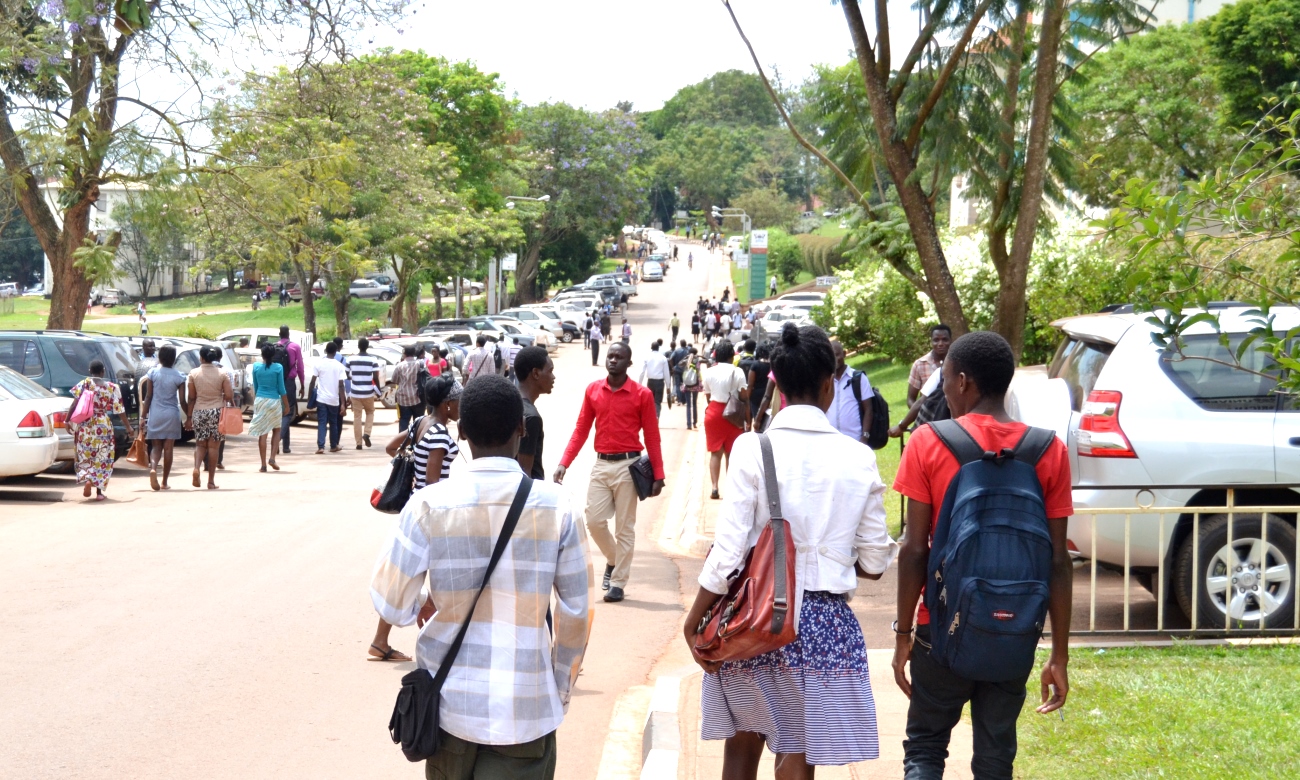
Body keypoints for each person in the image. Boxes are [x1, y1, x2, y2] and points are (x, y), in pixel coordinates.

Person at [682, 322, 898, 778]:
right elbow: (876, 563)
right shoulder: (859, 457)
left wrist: (695, 616)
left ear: (776, 384)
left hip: (752, 618)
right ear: (828, 385)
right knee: (798, 753)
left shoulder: (750, 448)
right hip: (824, 626)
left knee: (741, 745)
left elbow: (730, 551)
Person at [371, 373, 590, 780]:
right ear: (522, 428)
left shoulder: (429, 505)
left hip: (448, 708)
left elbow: (390, 600)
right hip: (525, 712)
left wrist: (425, 603)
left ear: (462, 430)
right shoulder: (559, 508)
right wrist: (557, 689)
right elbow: (576, 614)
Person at [892, 331, 1073, 779]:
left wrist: (902, 635)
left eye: (947, 379)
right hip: (1013, 632)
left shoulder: (928, 441)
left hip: (941, 629)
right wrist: (1060, 655)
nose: (945, 389)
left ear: (963, 382)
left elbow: (914, 550)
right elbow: (1058, 561)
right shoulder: (1049, 449)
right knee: (995, 760)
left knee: (926, 749)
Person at [556, 342, 664, 604]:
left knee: (624, 529)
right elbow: (581, 429)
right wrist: (564, 462)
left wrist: (659, 474)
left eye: (619, 357)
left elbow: (651, 435)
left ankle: (617, 583)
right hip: (602, 464)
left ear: (629, 363)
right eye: (610, 356)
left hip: (630, 467)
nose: (613, 360)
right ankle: (614, 560)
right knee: (593, 520)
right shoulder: (594, 390)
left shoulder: (642, 395)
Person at [68, 359, 134, 501]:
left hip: (86, 425)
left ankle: (87, 478)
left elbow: (74, 403)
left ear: (90, 371)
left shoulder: (85, 384)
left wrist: (67, 420)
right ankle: (98, 492)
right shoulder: (111, 387)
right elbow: (120, 410)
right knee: (102, 457)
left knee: (86, 453)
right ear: (103, 371)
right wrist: (128, 427)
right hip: (102, 425)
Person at [702, 340, 749, 500]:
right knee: (731, 453)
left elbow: (708, 397)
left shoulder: (708, 372)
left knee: (716, 453)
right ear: (731, 356)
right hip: (733, 414)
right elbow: (743, 396)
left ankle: (714, 487)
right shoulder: (738, 372)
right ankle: (730, 488)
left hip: (714, 413)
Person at [139, 344, 186, 491]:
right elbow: (183, 401)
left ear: (160, 357)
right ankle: (165, 481)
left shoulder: (152, 373)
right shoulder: (179, 376)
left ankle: (153, 468)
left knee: (156, 446)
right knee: (169, 449)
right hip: (172, 414)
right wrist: (189, 416)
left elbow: (148, 396)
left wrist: (142, 416)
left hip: (156, 413)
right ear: (173, 359)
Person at [185, 346, 232, 489]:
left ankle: (196, 468)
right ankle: (211, 481)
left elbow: (192, 398)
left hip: (199, 411)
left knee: (200, 444)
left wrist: (189, 417)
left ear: (202, 358)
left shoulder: (193, 373)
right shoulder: (223, 373)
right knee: (213, 446)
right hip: (216, 412)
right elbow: (229, 395)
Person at [412, 375, 462, 489]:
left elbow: (391, 447)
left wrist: (415, 471)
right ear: (448, 404)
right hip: (428, 503)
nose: (461, 406)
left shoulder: (420, 421)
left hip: (416, 495)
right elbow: (432, 482)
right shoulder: (439, 434)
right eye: (459, 401)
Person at [247, 343, 289, 473]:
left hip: (260, 399)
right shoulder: (278, 367)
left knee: (262, 433)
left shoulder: (256, 367)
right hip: (274, 401)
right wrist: (286, 405)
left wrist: (257, 402)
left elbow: (256, 385)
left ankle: (263, 465)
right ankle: (272, 458)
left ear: (262, 354)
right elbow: (281, 388)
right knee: (276, 430)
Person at [515, 346, 554, 480]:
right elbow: (524, 474)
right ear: (536, 373)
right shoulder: (531, 417)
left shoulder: (508, 405)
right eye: (550, 371)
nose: (553, 377)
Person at [829, 340, 875, 445]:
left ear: (844, 354)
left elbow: (868, 409)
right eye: (831, 356)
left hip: (855, 441)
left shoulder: (858, 378)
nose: (834, 359)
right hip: (831, 442)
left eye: (837, 355)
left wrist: (865, 437)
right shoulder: (826, 381)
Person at [308, 341, 347, 454]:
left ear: (325, 351)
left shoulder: (318, 364)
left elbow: (312, 382)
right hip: (334, 400)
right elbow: (341, 386)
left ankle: (321, 446)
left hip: (321, 398)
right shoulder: (339, 366)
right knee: (333, 423)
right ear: (335, 352)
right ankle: (333, 445)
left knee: (322, 423)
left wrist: (310, 398)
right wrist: (343, 403)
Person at [347, 337, 381, 450]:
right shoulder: (373, 360)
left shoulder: (350, 359)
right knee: (370, 412)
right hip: (368, 392)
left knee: (357, 417)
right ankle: (366, 433)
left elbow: (346, 375)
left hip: (355, 393)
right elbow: (375, 377)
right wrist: (379, 391)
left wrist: (353, 377)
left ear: (358, 346)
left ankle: (358, 443)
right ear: (367, 347)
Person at [906, 324, 952, 408]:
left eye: (945, 339)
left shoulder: (959, 362)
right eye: (936, 340)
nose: (940, 344)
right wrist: (922, 415)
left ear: (951, 340)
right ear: (931, 341)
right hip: (930, 416)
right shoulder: (920, 364)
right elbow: (910, 399)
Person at [276, 326, 304, 455]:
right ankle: (277, 441)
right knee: (288, 412)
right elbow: (300, 368)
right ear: (289, 334)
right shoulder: (295, 347)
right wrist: (302, 384)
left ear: (279, 334)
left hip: (277, 382)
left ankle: (286, 447)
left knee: (281, 412)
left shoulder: (274, 347)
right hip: (289, 382)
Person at [392, 345, 424, 432]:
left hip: (403, 398)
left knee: (404, 420)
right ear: (414, 353)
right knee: (418, 421)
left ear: (404, 354)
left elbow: (394, 380)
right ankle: (417, 442)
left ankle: (402, 442)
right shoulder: (420, 364)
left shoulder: (399, 366)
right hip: (418, 397)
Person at [639, 340, 670, 418]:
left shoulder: (647, 357)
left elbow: (642, 371)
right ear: (658, 348)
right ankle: (656, 416)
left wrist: (639, 384)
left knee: (650, 401)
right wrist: (668, 386)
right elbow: (666, 373)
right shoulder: (663, 358)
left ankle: (651, 418)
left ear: (651, 348)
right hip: (660, 382)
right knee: (657, 402)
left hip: (650, 382)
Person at [746, 343, 771, 427]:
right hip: (770, 396)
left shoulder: (755, 365)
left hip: (756, 397)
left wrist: (747, 399)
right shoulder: (773, 365)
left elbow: (750, 385)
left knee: (757, 421)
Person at [681, 347, 703, 431]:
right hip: (695, 384)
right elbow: (708, 361)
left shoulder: (687, 360)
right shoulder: (698, 360)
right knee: (694, 404)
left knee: (688, 405)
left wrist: (686, 357)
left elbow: (679, 364)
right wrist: (701, 356)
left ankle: (689, 424)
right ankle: (695, 423)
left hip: (687, 385)